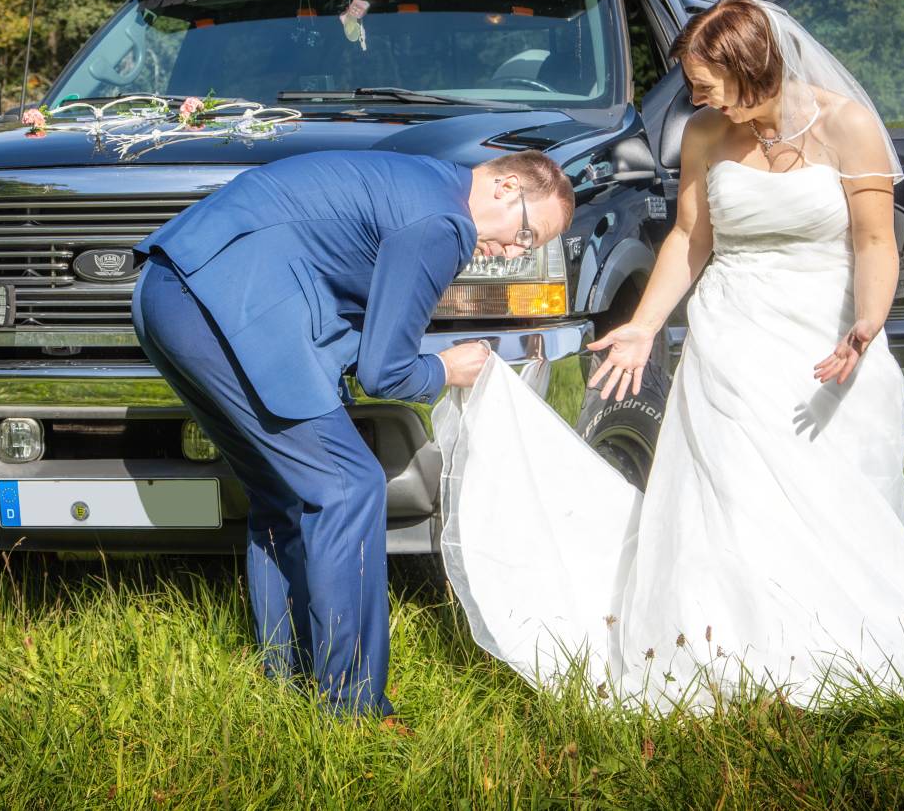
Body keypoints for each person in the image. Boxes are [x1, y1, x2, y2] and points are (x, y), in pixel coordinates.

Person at [437, 0, 904, 713]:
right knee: (730, 493)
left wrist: (867, 324)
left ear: (752, 66)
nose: (694, 94)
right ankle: (731, 653)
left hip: (826, 332)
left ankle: (840, 646)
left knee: (831, 493)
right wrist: (644, 325)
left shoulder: (847, 125)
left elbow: (875, 240)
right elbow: (689, 237)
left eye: (705, 80)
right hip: (732, 332)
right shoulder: (705, 133)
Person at [131, 149, 574, 718]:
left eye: (529, 251)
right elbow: (384, 370)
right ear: (507, 186)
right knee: (350, 483)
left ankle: (284, 677)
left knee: (281, 492)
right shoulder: (444, 223)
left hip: (164, 293)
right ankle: (353, 708)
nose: (514, 253)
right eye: (525, 235)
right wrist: (447, 369)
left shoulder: (423, 177)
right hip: (222, 305)